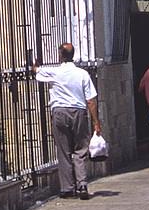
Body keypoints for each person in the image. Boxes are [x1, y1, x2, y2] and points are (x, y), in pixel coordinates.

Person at [35, 41, 103, 199]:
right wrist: (96, 122)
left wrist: (35, 64)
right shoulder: (82, 74)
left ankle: (67, 188)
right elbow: (91, 100)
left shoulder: (54, 72)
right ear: (73, 55)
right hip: (78, 112)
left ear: (60, 55)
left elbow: (37, 71)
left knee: (64, 151)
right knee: (80, 150)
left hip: (59, 112)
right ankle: (82, 184)